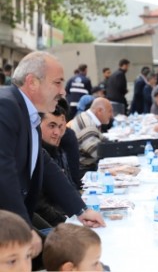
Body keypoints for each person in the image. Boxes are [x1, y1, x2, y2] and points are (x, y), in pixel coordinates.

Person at [0, 51, 105, 265]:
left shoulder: (27, 113)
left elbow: (45, 165)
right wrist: (24, 230)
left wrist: (80, 208)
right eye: (57, 83)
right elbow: (3, 172)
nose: (63, 91)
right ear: (32, 82)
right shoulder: (6, 106)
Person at [36, 105, 78, 227]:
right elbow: (40, 207)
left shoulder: (58, 150)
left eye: (60, 127)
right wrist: (71, 222)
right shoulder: (36, 156)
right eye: (52, 126)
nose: (57, 133)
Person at [68, 97, 113, 176]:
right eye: (110, 111)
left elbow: (103, 141)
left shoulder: (88, 118)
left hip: (88, 166)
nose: (111, 115)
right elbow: (97, 152)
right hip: (84, 170)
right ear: (99, 111)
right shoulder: (87, 124)